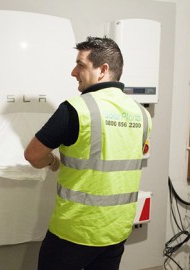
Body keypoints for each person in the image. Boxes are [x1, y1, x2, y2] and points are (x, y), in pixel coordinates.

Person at [24, 36, 152, 270]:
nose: (74, 72)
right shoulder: (142, 114)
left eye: (81, 64)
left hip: (75, 231)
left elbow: (33, 155)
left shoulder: (75, 110)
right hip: (117, 230)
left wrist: (53, 162)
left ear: (102, 70)